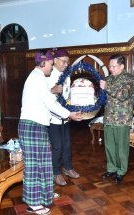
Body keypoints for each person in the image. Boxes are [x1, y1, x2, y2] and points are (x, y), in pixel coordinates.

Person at [18, 49, 82, 215]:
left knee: (44, 163)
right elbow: (50, 103)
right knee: (33, 166)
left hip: (38, 125)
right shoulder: (36, 78)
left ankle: (45, 194)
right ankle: (33, 203)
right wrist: (69, 115)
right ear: (44, 63)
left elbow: (49, 104)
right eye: (51, 65)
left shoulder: (39, 78)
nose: (52, 68)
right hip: (30, 126)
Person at [100, 54, 134, 183]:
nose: (111, 69)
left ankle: (121, 171)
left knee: (121, 147)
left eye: (114, 66)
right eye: (109, 66)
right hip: (109, 118)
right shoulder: (108, 79)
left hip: (122, 119)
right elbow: (102, 97)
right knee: (109, 146)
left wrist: (107, 88)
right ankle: (111, 168)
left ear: (122, 66)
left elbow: (123, 95)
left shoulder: (130, 79)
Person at [47, 49, 80, 186]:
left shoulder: (66, 76)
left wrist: (73, 107)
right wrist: (52, 91)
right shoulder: (48, 75)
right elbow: (42, 96)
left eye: (68, 62)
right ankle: (56, 173)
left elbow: (68, 95)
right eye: (64, 61)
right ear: (55, 60)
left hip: (65, 116)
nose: (66, 64)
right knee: (58, 146)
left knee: (67, 144)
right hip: (52, 118)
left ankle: (67, 167)